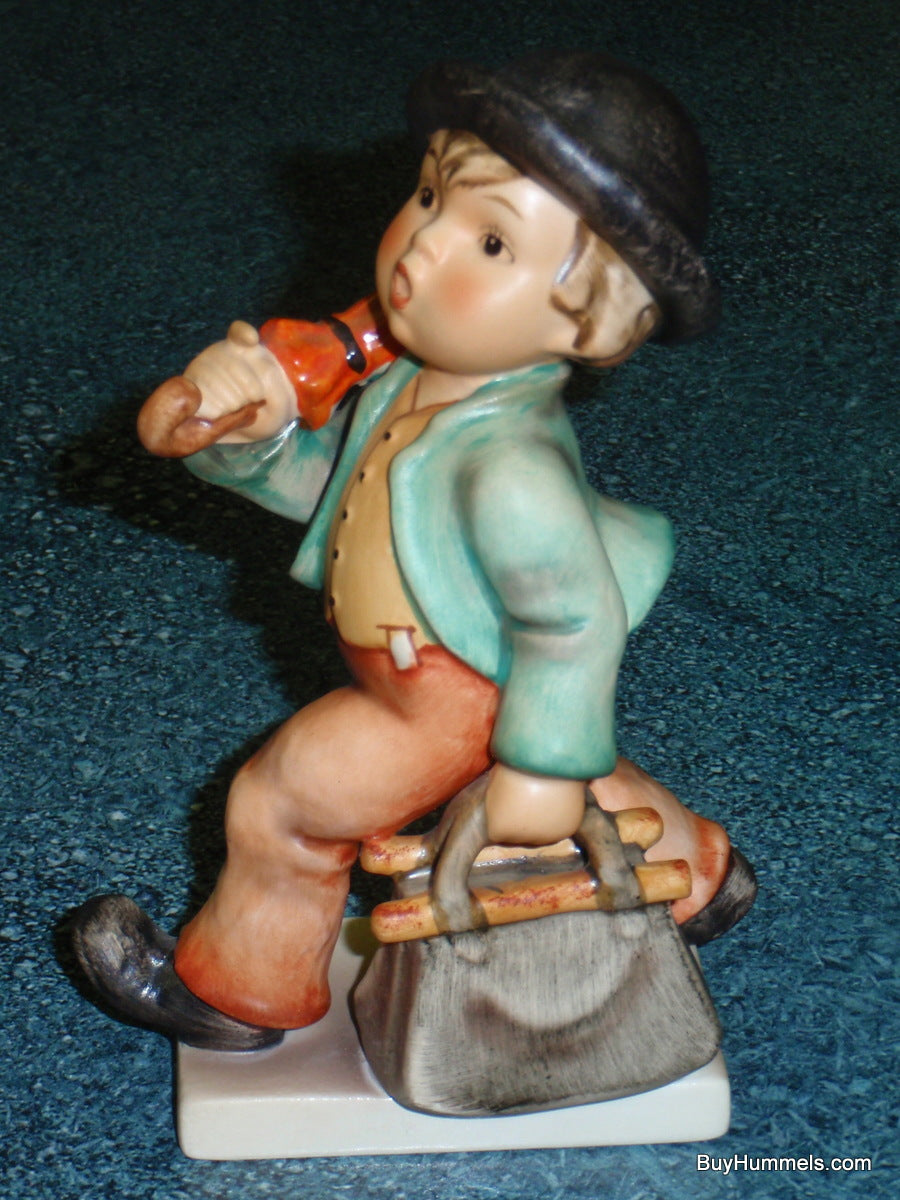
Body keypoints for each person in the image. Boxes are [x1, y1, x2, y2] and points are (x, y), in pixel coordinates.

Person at [73, 52, 755, 1052]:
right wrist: (248, 440)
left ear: (598, 319)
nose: (424, 245)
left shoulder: (511, 469)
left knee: (281, 804)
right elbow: (342, 496)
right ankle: (698, 877)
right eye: (432, 195)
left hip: (436, 693)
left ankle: (239, 992)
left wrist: (537, 772)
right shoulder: (414, 384)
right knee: (578, 766)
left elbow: (570, 623)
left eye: (490, 240)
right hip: (445, 666)